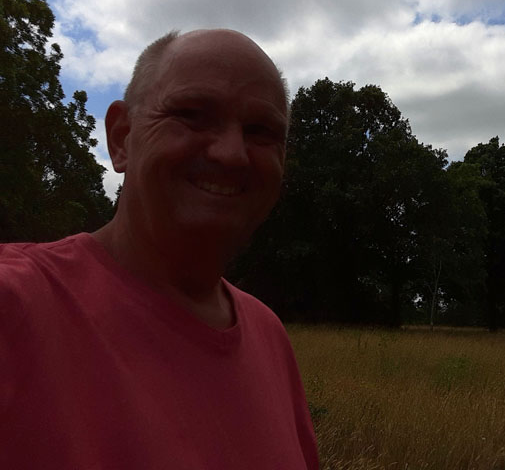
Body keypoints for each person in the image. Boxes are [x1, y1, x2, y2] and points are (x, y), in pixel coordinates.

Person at [0, 29, 319, 469]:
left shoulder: (270, 336)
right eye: (192, 115)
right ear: (121, 138)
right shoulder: (15, 303)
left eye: (261, 132)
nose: (232, 154)